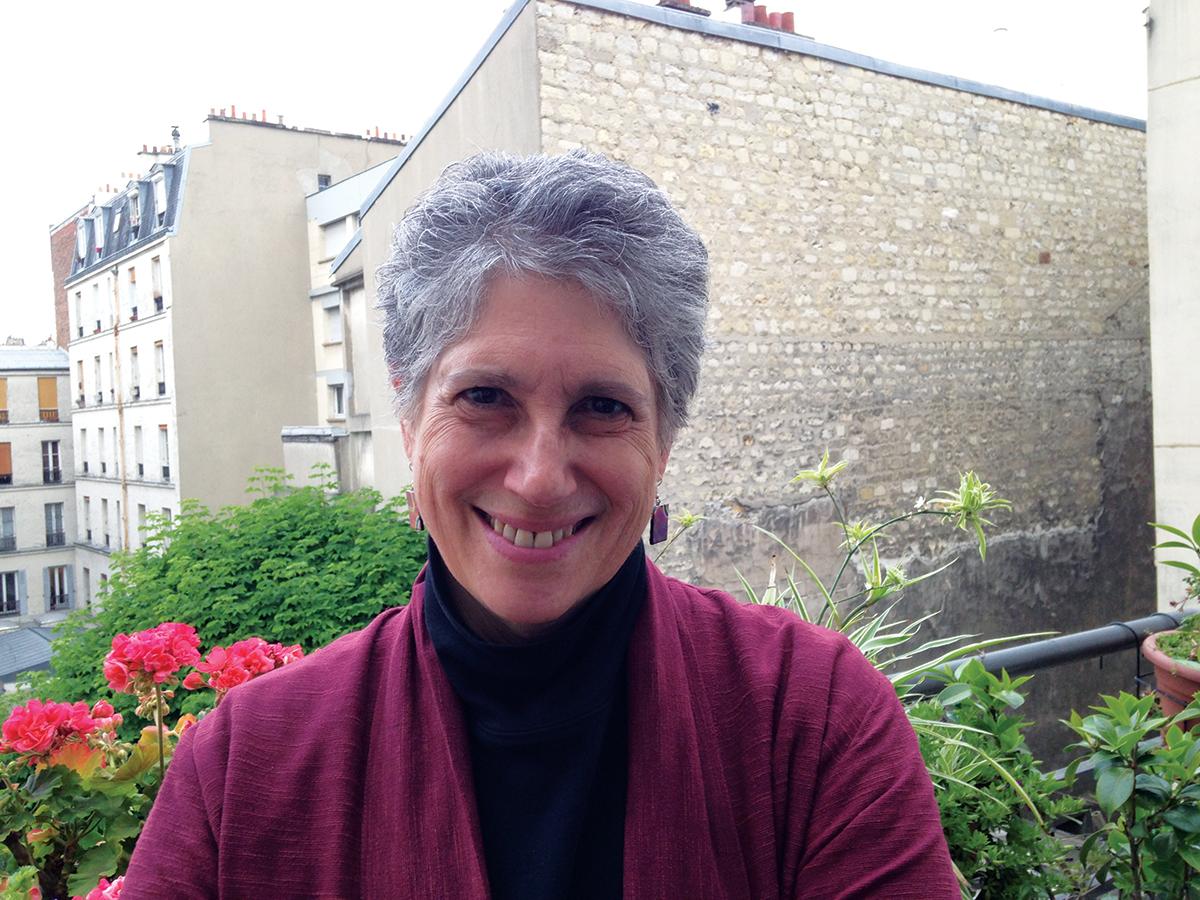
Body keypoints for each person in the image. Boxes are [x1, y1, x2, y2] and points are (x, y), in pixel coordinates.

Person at [123, 151, 958, 899]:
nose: (539, 475)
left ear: (662, 442)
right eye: (485, 397)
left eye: (602, 407)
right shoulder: (243, 770)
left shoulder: (807, 720)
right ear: (410, 424)